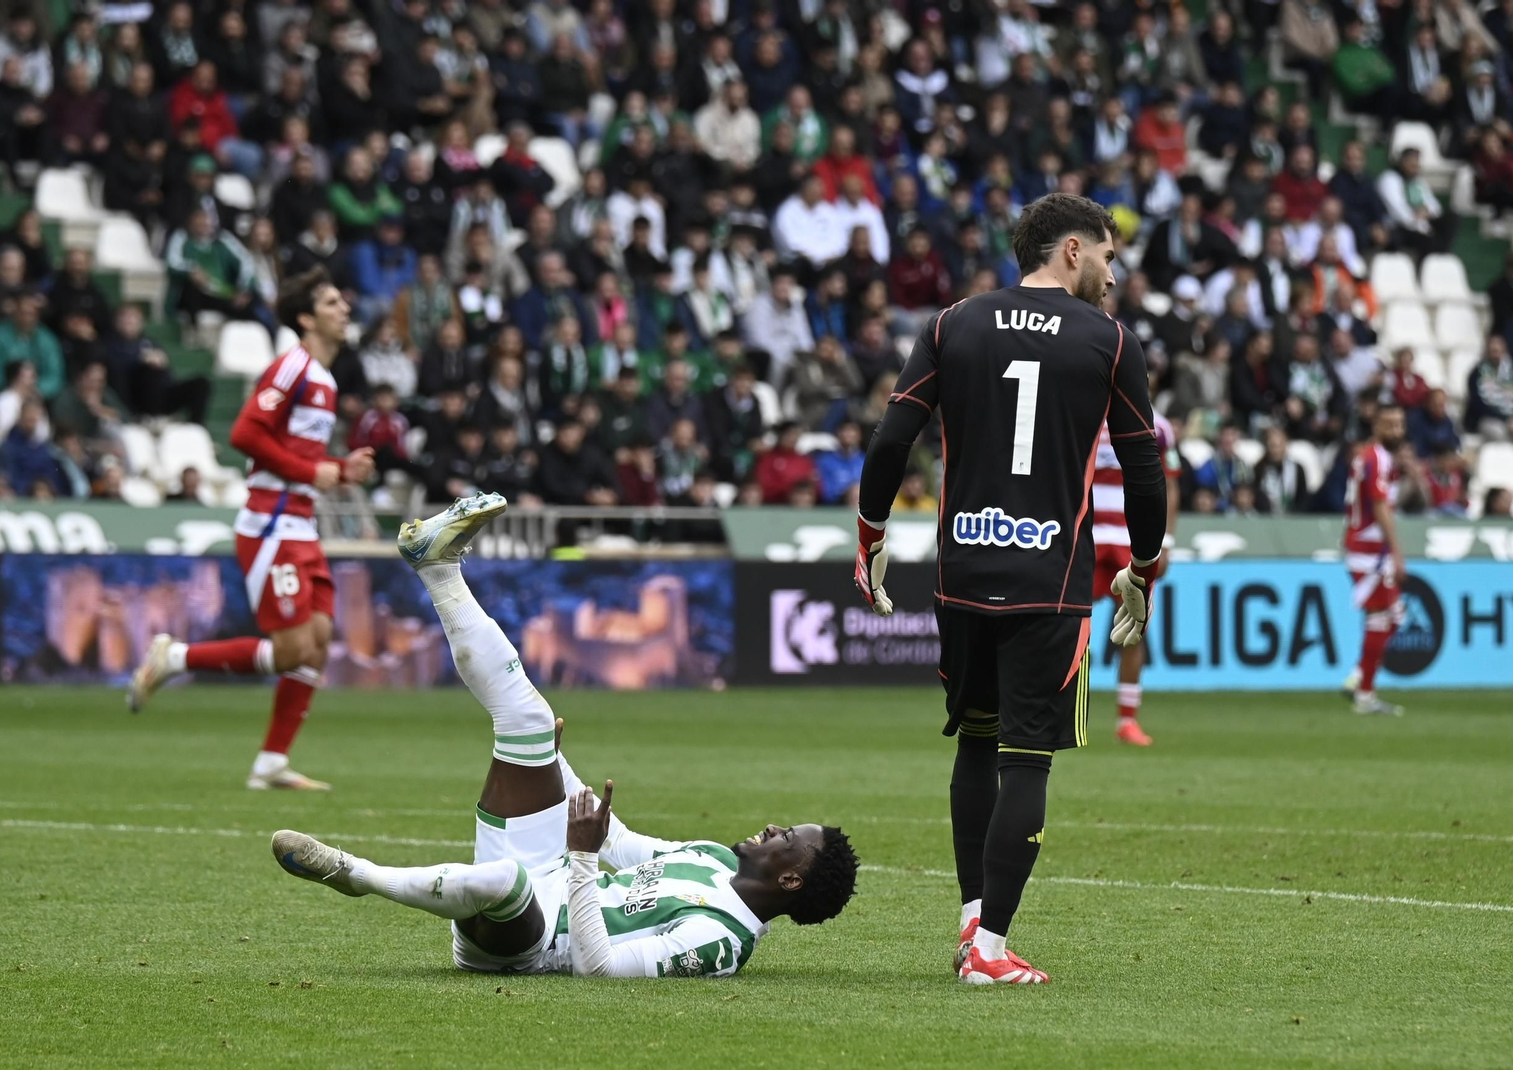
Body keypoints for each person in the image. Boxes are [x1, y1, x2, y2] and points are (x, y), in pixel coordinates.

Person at [271, 494, 859, 975]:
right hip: (550, 873)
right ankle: (437, 566)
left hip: (527, 942)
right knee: (527, 720)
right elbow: (617, 842)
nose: (775, 826)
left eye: (789, 837)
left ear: (791, 878)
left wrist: (579, 856)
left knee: (506, 881)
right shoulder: (710, 857)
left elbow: (598, 968)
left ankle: (351, 873)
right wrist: (556, 762)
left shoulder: (721, 940)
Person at [853, 193, 1166, 984]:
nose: (1112, 274)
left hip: (962, 570)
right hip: (1047, 579)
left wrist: (871, 533)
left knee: (975, 741)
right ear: (1071, 251)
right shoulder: (1110, 341)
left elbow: (892, 438)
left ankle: (972, 922)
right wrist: (1143, 567)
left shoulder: (952, 323)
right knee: (1026, 760)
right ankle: (989, 951)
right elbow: (1143, 468)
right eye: (1107, 257)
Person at [127, 269, 376, 790]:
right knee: (290, 650)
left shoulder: (325, 380)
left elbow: (297, 455)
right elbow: (245, 433)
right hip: (271, 524)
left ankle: (271, 763)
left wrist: (339, 468)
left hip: (301, 524)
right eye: (332, 302)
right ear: (306, 318)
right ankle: (175, 657)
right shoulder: (291, 367)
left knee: (318, 640)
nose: (345, 309)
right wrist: (312, 471)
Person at [1089, 385, 1181, 746]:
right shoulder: (1081, 407)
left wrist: (1166, 542)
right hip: (1085, 533)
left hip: (1132, 538)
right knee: (1063, 625)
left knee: (1134, 628)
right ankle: (1052, 711)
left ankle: (1127, 720)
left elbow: (1170, 485)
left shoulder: (1159, 425)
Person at [1340, 403, 1409, 717]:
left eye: (1400, 424)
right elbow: (1380, 507)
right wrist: (1397, 551)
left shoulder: (1370, 456)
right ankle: (1365, 695)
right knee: (1381, 616)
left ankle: (1359, 676)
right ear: (1376, 426)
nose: (1396, 430)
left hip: (1367, 546)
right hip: (1370, 549)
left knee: (1395, 614)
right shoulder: (1377, 457)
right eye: (1389, 424)